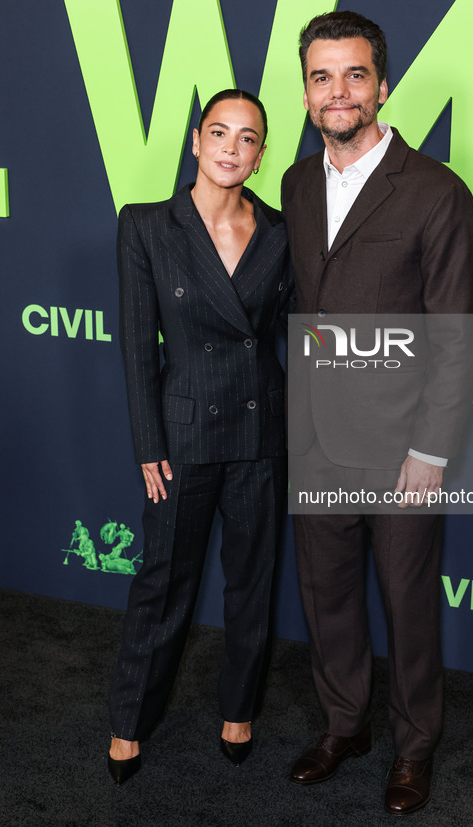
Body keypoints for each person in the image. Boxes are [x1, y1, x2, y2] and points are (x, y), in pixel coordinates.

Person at [281, 12, 473, 816]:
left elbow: (457, 335)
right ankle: (343, 725)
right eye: (322, 76)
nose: (337, 91)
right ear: (305, 93)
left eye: (353, 74)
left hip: (402, 446)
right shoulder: (295, 184)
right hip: (314, 442)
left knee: (405, 605)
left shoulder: (435, 190)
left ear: (381, 85)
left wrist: (430, 452)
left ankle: (412, 747)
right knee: (326, 596)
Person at [107, 89, 292, 784]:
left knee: (251, 583)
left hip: (257, 431)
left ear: (260, 154)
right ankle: (130, 719)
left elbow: (296, 330)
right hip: (182, 435)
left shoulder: (278, 229)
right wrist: (148, 443)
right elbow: (135, 347)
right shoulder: (147, 226)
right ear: (194, 140)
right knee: (162, 586)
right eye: (219, 132)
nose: (230, 148)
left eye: (247, 139)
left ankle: (238, 709)